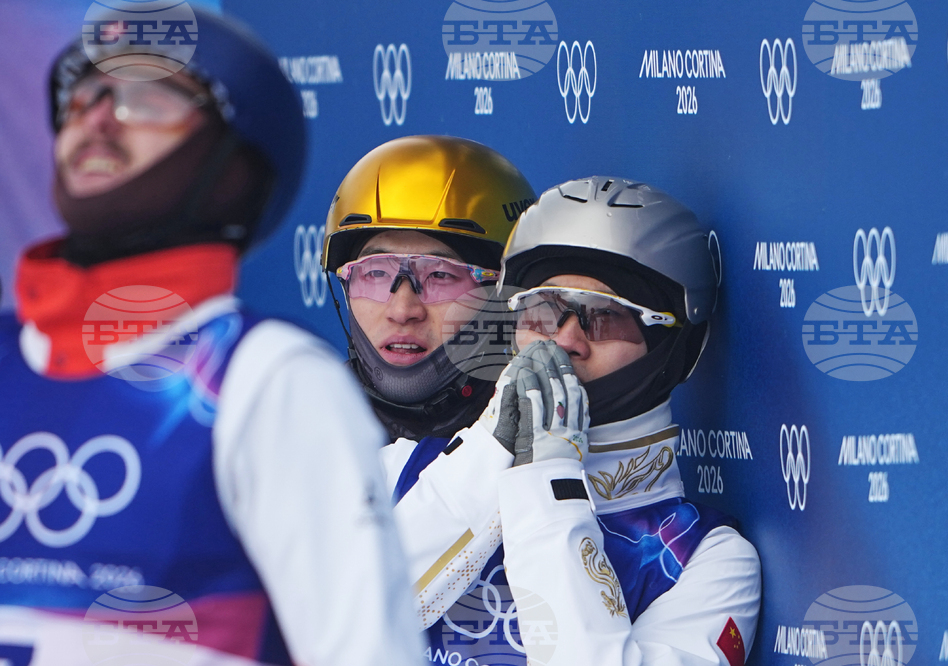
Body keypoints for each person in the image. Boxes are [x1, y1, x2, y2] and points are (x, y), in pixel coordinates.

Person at [0, 9, 421, 666]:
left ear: (233, 165)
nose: (98, 119)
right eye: (84, 97)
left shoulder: (268, 378)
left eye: (146, 98)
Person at [385, 176, 762, 665]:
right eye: (542, 310)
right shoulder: (402, 470)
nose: (564, 341)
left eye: (604, 316)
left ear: (676, 349)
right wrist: (486, 456)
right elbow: (331, 624)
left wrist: (549, 486)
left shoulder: (705, 559)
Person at [322, 134, 536, 442]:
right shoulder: (297, 427)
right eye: (376, 272)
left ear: (504, 295)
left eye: (440, 275)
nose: (402, 311)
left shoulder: (549, 436)